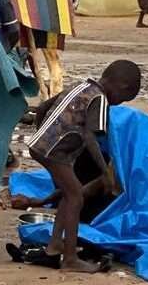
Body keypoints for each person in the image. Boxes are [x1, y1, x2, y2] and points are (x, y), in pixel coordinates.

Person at [26, 60, 141, 272]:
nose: (118, 104)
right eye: (122, 100)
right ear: (121, 87)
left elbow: (42, 107)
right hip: (55, 152)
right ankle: (70, 259)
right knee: (76, 197)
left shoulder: (81, 86)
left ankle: (55, 245)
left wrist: (43, 135)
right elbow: (90, 137)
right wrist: (105, 172)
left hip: (45, 147)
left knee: (71, 194)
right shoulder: (100, 100)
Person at [17, 0, 64, 97]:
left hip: (31, 30)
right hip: (48, 28)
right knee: (53, 62)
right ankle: (55, 93)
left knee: (29, 61)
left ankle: (46, 94)